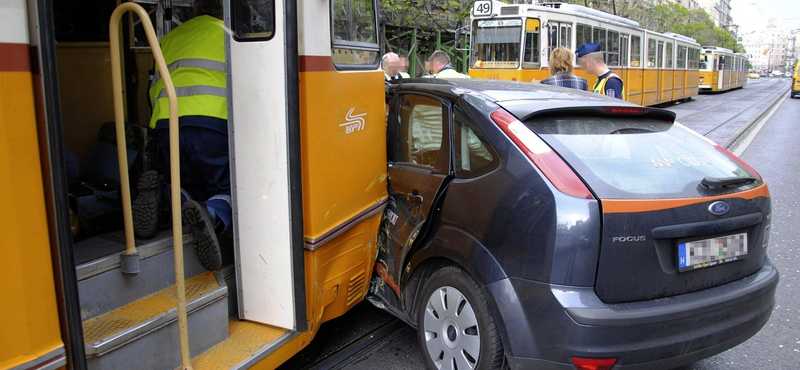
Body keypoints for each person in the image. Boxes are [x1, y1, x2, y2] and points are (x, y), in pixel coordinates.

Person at [133, 0, 230, 271]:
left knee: (190, 183)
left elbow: (153, 88)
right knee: (230, 187)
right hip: (213, 124)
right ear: (222, 11)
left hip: (168, 123)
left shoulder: (170, 38)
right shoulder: (229, 36)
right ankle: (211, 215)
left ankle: (164, 195)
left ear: (194, 11)